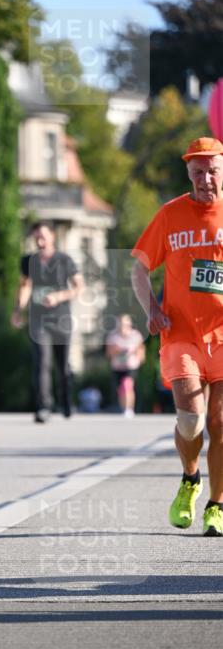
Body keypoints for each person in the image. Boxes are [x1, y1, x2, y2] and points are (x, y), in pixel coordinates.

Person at [131, 136, 223, 536]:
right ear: (188, 173)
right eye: (198, 172)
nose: (206, 179)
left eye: (213, 171)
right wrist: (151, 308)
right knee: (191, 422)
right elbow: (138, 267)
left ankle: (217, 506)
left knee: (221, 424)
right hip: (182, 334)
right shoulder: (171, 215)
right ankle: (190, 478)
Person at [12, 222, 84, 422]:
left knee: (63, 365)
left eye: (43, 236)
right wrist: (18, 309)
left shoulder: (64, 260)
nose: (39, 241)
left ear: (52, 236)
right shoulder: (28, 261)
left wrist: (59, 296)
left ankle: (66, 400)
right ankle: (44, 406)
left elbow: (79, 286)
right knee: (41, 361)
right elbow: (25, 286)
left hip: (61, 318)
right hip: (38, 319)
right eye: (36, 237)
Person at [105, 314, 146, 416]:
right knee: (121, 389)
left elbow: (141, 350)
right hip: (117, 366)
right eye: (121, 324)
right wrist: (118, 350)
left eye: (125, 323)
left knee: (127, 385)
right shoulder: (112, 336)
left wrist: (139, 359)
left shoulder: (135, 335)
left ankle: (129, 409)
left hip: (131, 366)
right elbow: (108, 353)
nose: (123, 326)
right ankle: (123, 408)